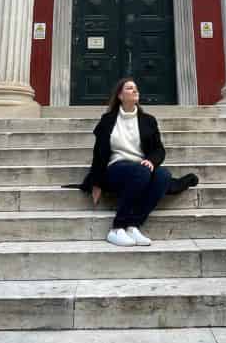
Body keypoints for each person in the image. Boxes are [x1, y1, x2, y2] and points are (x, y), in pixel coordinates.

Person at [80, 77, 198, 247]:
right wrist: (96, 182)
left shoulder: (148, 120)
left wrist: (151, 160)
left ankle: (133, 225)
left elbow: (159, 150)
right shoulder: (107, 120)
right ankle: (117, 228)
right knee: (141, 171)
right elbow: (98, 153)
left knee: (163, 175)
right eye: (129, 88)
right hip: (116, 168)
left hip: (140, 168)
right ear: (120, 95)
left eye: (135, 88)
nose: (135, 90)